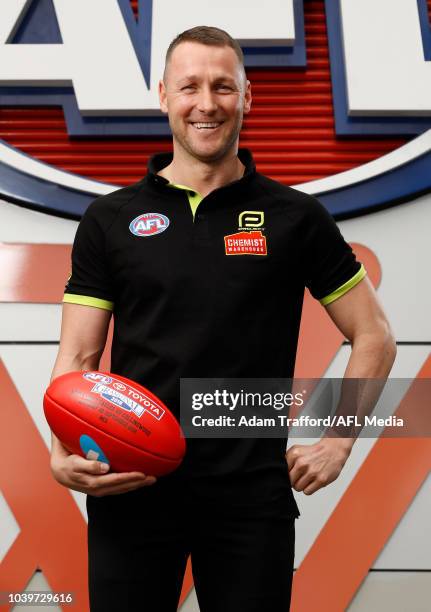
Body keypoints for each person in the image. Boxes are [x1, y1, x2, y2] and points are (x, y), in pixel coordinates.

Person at [49, 26, 396, 612]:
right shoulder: (110, 219)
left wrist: (338, 439)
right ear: (163, 95)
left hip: (249, 498)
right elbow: (78, 360)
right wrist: (61, 449)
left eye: (222, 87)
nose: (206, 104)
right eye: (189, 87)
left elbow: (374, 336)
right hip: (132, 488)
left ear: (247, 96)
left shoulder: (296, 218)